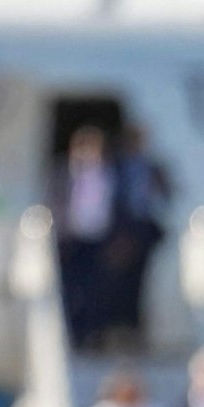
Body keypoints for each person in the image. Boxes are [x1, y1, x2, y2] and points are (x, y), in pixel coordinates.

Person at [99, 123, 170, 349]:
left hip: (144, 230)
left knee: (141, 284)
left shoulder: (152, 167)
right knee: (116, 284)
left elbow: (167, 194)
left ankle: (135, 330)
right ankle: (113, 330)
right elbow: (110, 200)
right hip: (119, 231)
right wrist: (117, 234)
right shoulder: (113, 166)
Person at [51, 126, 115, 351]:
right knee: (71, 289)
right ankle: (73, 335)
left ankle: (93, 335)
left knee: (96, 290)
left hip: (98, 239)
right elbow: (55, 204)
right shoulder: (63, 173)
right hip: (71, 240)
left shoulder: (109, 174)